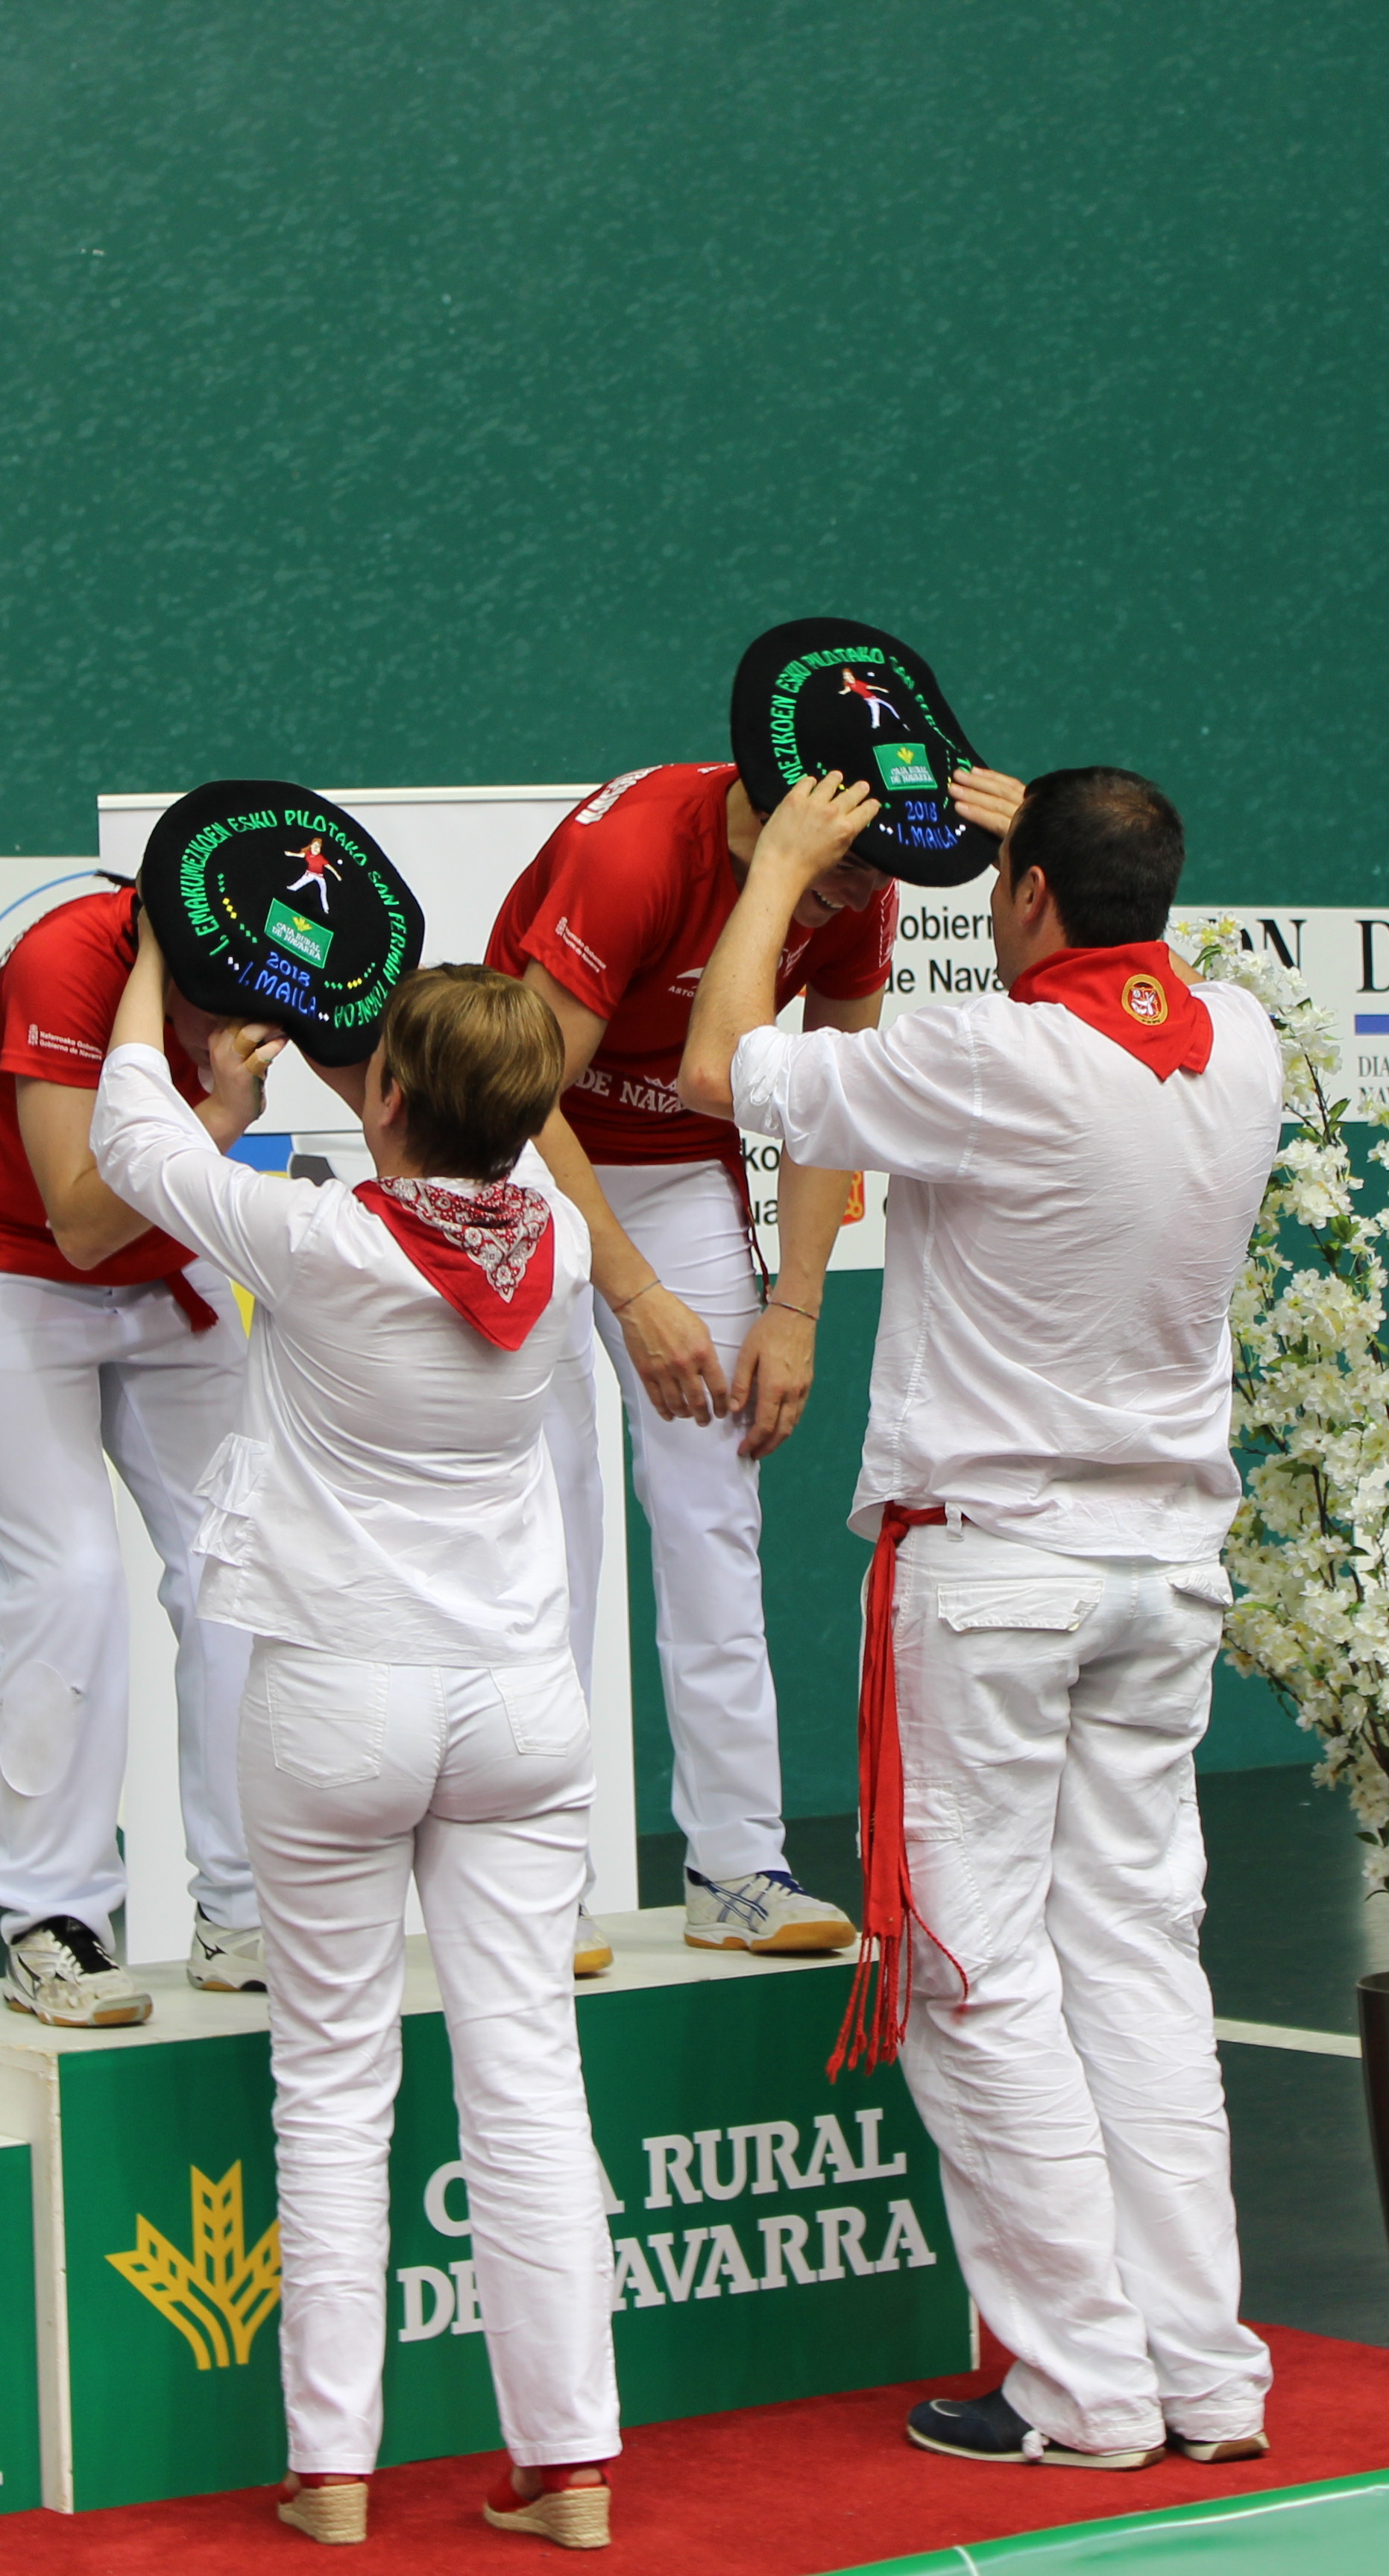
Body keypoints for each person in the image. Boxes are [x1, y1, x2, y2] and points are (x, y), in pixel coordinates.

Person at [681, 761, 1282, 2473]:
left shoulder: (989, 1055)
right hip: (1166, 1575)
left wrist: (784, 865)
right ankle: (1207, 2378)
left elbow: (722, 1068)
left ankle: (1082, 2388)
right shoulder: (1243, 1042)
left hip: (999, 1573)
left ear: (1024, 897)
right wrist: (1063, 851)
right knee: (1141, 1959)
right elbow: (1145, 961)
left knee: (977, 1971)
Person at [89, 932, 620, 2551]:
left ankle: (332, 2472)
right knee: (529, 2075)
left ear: (380, 1094)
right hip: (518, 1705)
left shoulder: (320, 1237)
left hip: (336, 1702)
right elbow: (467, 1154)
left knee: (331, 2080)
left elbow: (131, 1136)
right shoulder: (567, 1247)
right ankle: (572, 2472)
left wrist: (160, 954)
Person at [482, 761, 878, 1960]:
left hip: (680, 1174)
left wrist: (795, 1307)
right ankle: (534, 1889)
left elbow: (829, 1101)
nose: (849, 903)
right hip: (526, 1166)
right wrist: (633, 1288)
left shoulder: (864, 879)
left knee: (715, 1511)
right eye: (834, 881)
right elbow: (521, 1100)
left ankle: (738, 1868)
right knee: (550, 1527)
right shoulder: (633, 856)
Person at [0, 881, 269, 2027]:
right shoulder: (66, 961)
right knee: (70, 1577)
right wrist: (219, 1116)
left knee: (243, 1566)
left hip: (165, 1268)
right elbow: (82, 1220)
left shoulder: (281, 948)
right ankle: (52, 1923)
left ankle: (248, 1910)